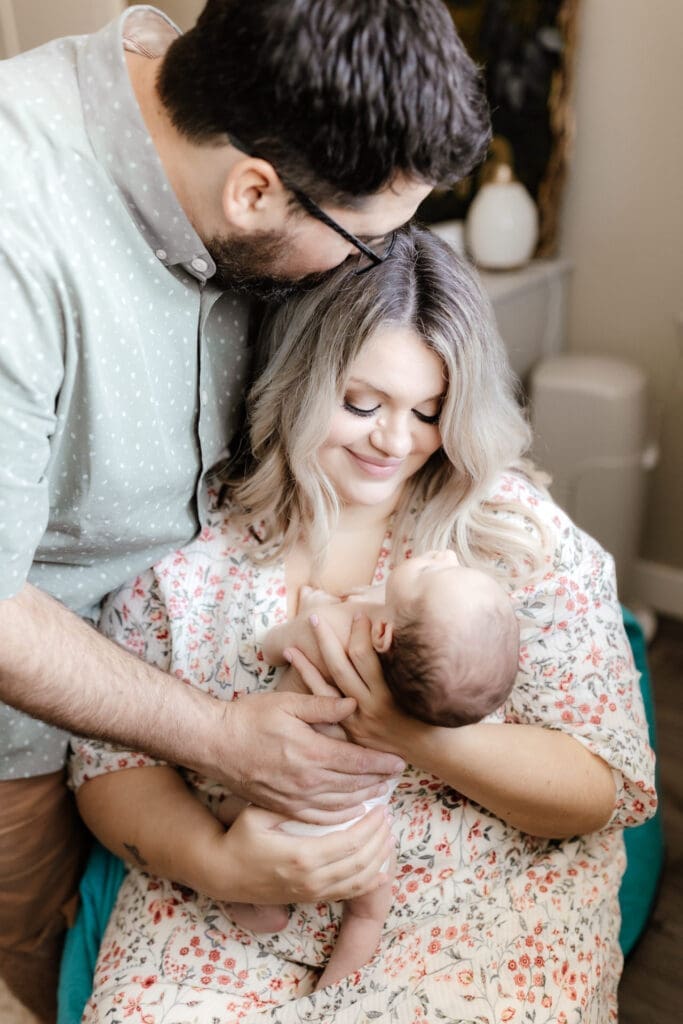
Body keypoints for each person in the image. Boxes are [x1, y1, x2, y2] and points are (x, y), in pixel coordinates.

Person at [0, 1, 492, 1017]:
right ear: (255, 189)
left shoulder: (239, 152)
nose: (366, 269)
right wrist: (221, 740)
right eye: (362, 248)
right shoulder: (21, 231)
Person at [69, 227, 656, 1022]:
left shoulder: (514, 541)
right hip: (227, 906)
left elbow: (599, 789)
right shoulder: (191, 544)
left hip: (472, 909)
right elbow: (109, 762)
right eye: (361, 403)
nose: (395, 440)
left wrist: (412, 735)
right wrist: (218, 863)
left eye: (428, 410)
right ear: (296, 381)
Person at [222, 553, 520, 991]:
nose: (444, 555)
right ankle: (332, 999)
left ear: (383, 634)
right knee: (365, 916)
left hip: (286, 809)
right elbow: (407, 628)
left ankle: (261, 908)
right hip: (363, 830)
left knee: (224, 810)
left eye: (432, 573)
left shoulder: (337, 625)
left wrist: (315, 613)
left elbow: (271, 647)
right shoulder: (419, 699)